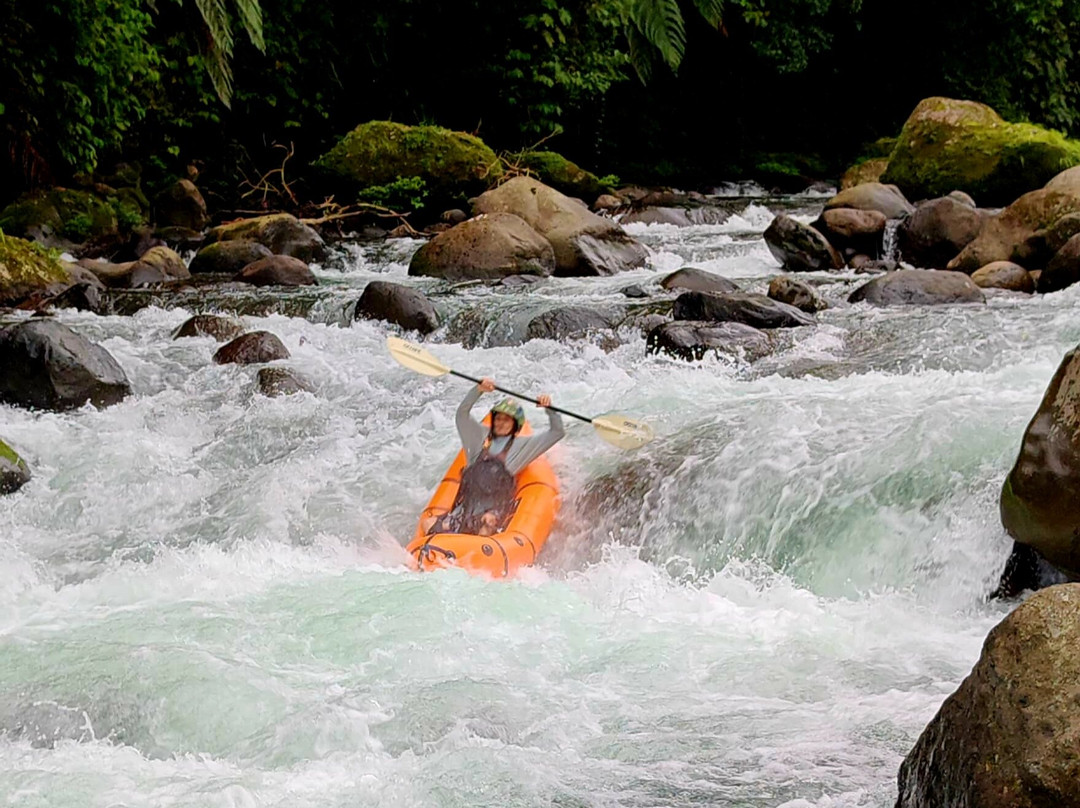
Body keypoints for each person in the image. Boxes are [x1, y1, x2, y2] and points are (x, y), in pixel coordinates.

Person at [425, 377, 565, 536]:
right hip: (466, 509)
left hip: (494, 511)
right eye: (498, 418)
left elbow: (557, 432)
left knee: (487, 523)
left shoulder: (522, 446)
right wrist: (478, 390)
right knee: (428, 523)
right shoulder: (479, 437)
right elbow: (462, 415)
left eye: (506, 420)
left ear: (515, 425)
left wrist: (550, 409)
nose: (501, 423)